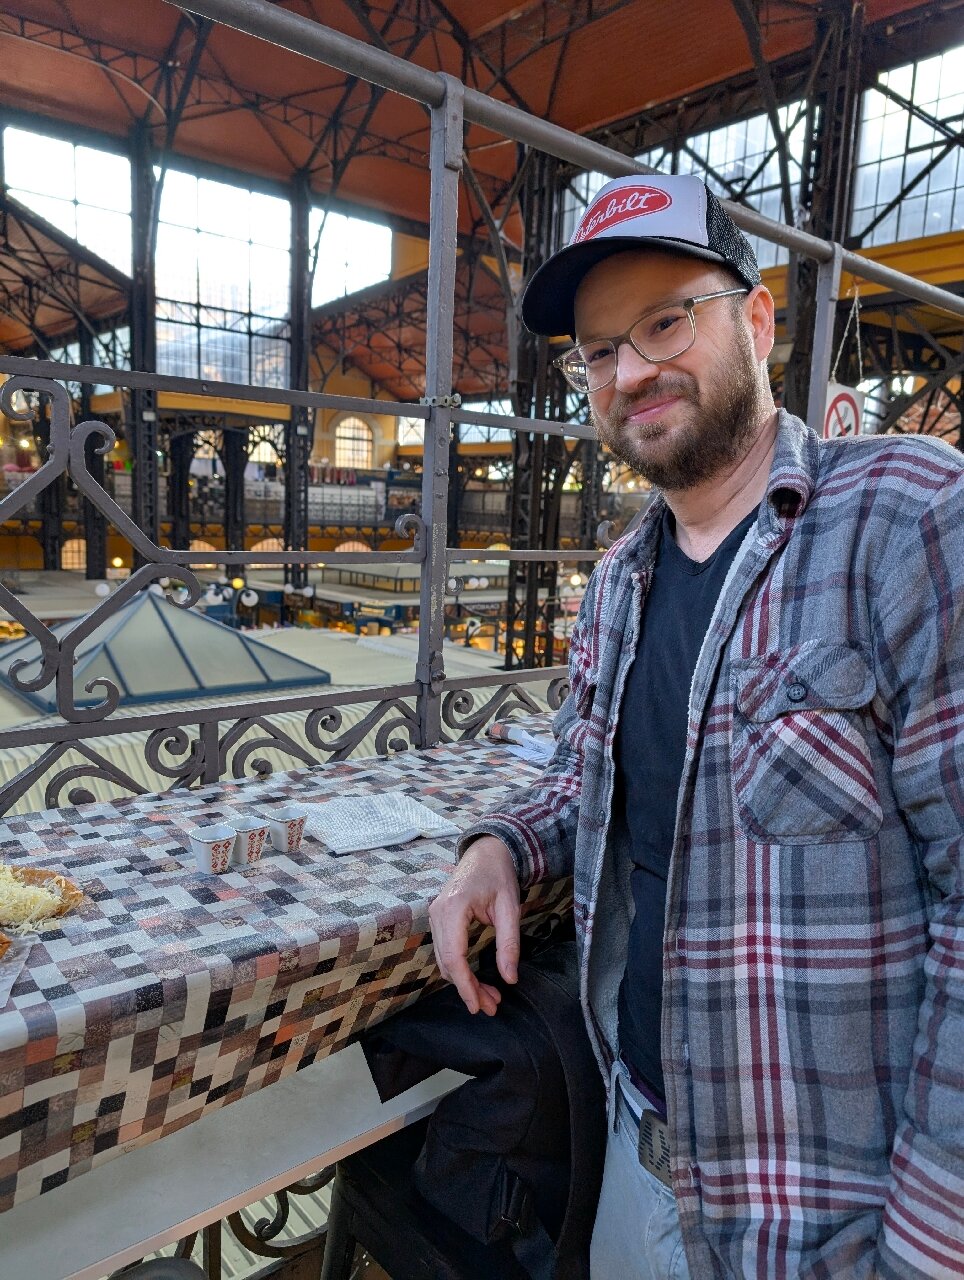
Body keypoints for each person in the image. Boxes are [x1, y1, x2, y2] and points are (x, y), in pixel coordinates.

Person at [428, 173, 964, 1279]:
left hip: (832, 1210)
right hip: (642, 1149)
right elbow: (592, 774)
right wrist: (498, 845)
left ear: (758, 320)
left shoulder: (911, 519)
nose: (629, 370)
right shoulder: (621, 577)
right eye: (597, 350)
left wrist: (932, 1238)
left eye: (666, 319)